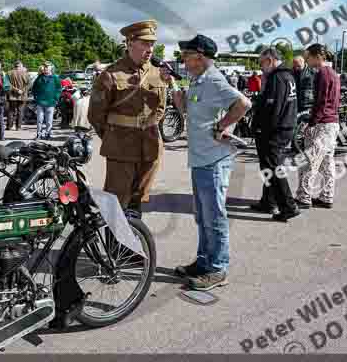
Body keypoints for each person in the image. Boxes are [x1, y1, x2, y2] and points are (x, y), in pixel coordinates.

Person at [172, 35, 251, 291]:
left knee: (214, 216)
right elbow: (186, 110)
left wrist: (222, 126)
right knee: (203, 216)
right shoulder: (197, 81)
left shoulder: (215, 80)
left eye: (187, 54)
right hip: (200, 158)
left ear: (201, 56)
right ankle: (204, 261)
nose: (183, 58)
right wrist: (175, 91)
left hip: (214, 159)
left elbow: (243, 103)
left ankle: (218, 269)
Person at [88, 20, 167, 218]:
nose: (150, 49)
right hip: (121, 146)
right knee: (116, 199)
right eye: (145, 43)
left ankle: (131, 243)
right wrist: (113, 135)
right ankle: (113, 244)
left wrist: (150, 128)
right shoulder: (111, 74)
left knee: (139, 199)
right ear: (130, 43)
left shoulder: (157, 73)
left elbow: (161, 108)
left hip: (150, 145)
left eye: (152, 44)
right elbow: (95, 115)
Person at [253, 47, 300, 222]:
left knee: (273, 168)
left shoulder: (277, 78)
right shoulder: (287, 76)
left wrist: (260, 128)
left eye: (262, 63)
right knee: (269, 167)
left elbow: (272, 108)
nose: (261, 67)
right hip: (284, 126)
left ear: (270, 60)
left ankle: (288, 206)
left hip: (274, 130)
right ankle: (268, 201)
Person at [295, 44, 341, 209]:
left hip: (322, 124)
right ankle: (327, 196)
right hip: (332, 123)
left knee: (309, 161)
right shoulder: (333, 74)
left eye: (308, 57)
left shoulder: (322, 73)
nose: (307, 61)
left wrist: (312, 123)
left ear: (318, 56)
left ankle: (304, 196)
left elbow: (320, 102)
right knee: (327, 162)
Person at [31, 64, 62, 140]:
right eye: (45, 68)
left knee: (49, 121)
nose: (45, 69)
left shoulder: (55, 78)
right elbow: (34, 88)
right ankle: (39, 135)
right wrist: (36, 98)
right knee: (39, 120)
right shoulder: (39, 77)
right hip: (40, 102)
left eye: (47, 68)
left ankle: (48, 134)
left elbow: (58, 89)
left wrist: (56, 98)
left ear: (51, 69)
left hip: (51, 102)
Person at [7, 60, 30, 131]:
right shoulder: (25, 73)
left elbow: (7, 85)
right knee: (20, 111)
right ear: (21, 66)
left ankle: (9, 126)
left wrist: (16, 90)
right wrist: (22, 90)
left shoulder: (9, 73)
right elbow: (28, 84)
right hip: (22, 96)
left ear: (14, 66)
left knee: (11, 111)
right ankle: (18, 127)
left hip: (12, 96)